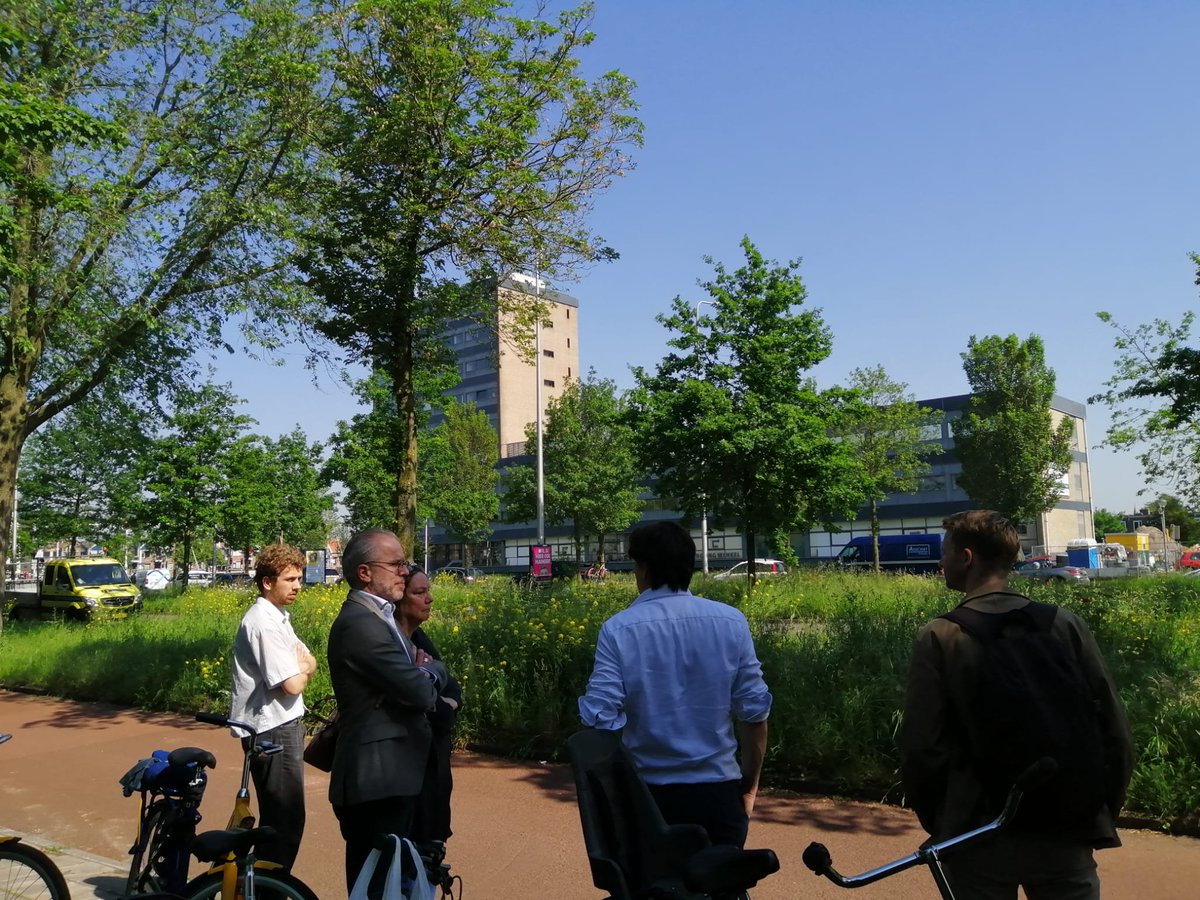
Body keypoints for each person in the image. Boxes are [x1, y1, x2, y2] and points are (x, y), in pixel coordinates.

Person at [900, 510, 1134, 900]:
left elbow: (922, 747)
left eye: (946, 552)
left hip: (978, 835)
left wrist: (944, 823)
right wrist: (1099, 810)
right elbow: (1114, 729)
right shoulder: (1065, 624)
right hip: (1066, 825)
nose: (941, 563)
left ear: (967, 558)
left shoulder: (941, 636)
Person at [578, 521, 772, 848]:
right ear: (689, 567)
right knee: (720, 887)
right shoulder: (731, 622)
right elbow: (754, 715)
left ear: (644, 569)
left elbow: (599, 717)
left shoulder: (618, 629)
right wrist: (749, 787)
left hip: (647, 798)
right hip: (719, 797)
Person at [327, 529, 449, 891]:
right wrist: (433, 670)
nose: (404, 571)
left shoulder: (379, 617)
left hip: (392, 777)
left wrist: (419, 672)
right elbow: (419, 691)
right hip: (375, 782)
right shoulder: (361, 624)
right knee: (377, 884)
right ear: (365, 573)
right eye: (396, 564)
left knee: (394, 882)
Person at [228, 543, 317, 872]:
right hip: (271, 729)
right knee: (284, 821)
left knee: (284, 819)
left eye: (299, 578)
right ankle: (267, 890)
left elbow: (310, 661)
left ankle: (262, 886)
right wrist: (302, 669)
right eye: (290, 579)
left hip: (281, 724)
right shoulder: (263, 623)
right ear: (267, 582)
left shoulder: (278, 617)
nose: (298, 585)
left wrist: (303, 667)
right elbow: (292, 683)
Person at [395, 567, 462, 844]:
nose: (429, 598)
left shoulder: (421, 640)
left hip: (434, 771)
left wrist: (438, 691)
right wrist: (443, 702)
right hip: (411, 772)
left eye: (428, 591)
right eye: (420, 592)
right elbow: (435, 707)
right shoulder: (394, 644)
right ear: (400, 600)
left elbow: (454, 690)